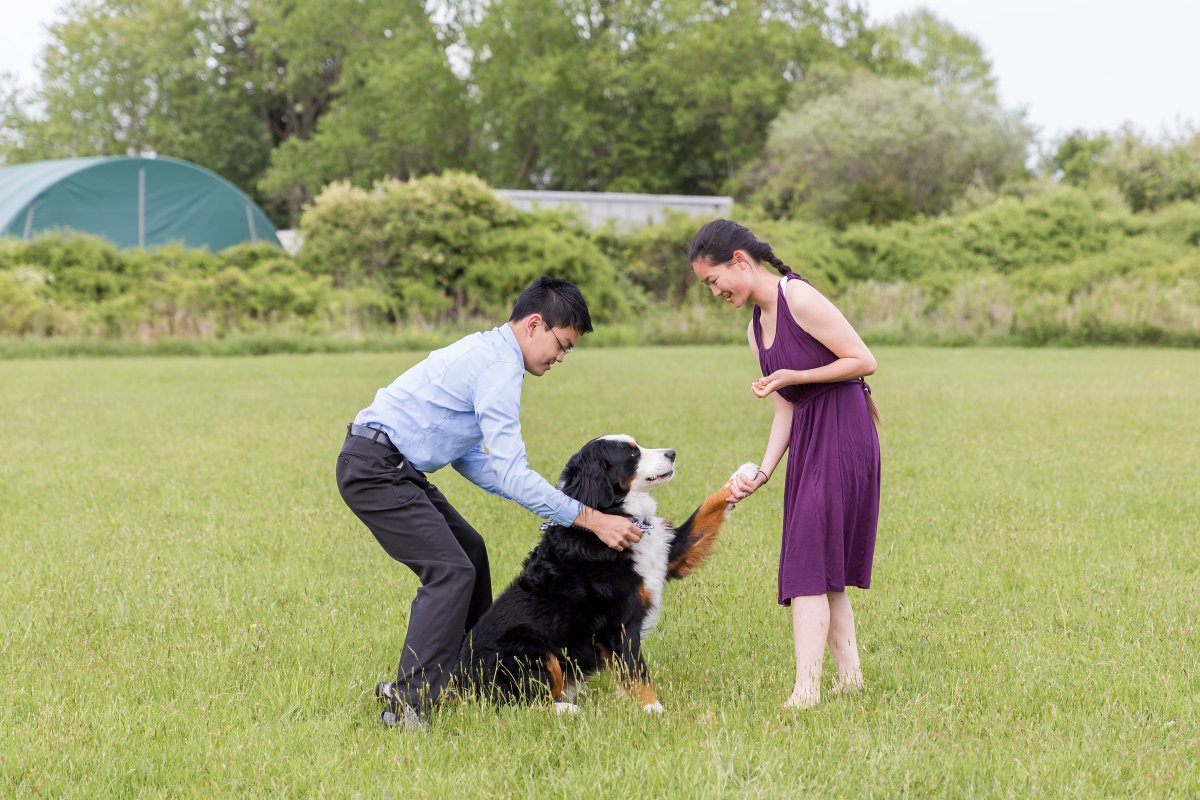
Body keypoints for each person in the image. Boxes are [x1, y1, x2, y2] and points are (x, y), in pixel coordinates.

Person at [335, 276, 643, 729]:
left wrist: (555, 504)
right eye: (562, 345)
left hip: (391, 466)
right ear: (534, 324)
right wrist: (589, 518)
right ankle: (407, 702)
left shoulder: (488, 353)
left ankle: (478, 673)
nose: (561, 357)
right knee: (450, 570)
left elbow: (478, 462)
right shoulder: (499, 367)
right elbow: (512, 473)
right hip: (376, 469)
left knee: (471, 551)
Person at [689, 220, 881, 710]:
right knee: (819, 560)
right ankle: (850, 680)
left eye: (713, 280)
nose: (714, 292)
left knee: (808, 561)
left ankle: (806, 691)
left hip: (844, 430)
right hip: (810, 437)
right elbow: (785, 410)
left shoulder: (798, 298)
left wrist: (795, 373)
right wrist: (764, 472)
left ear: (739, 261)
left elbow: (863, 360)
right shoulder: (755, 330)